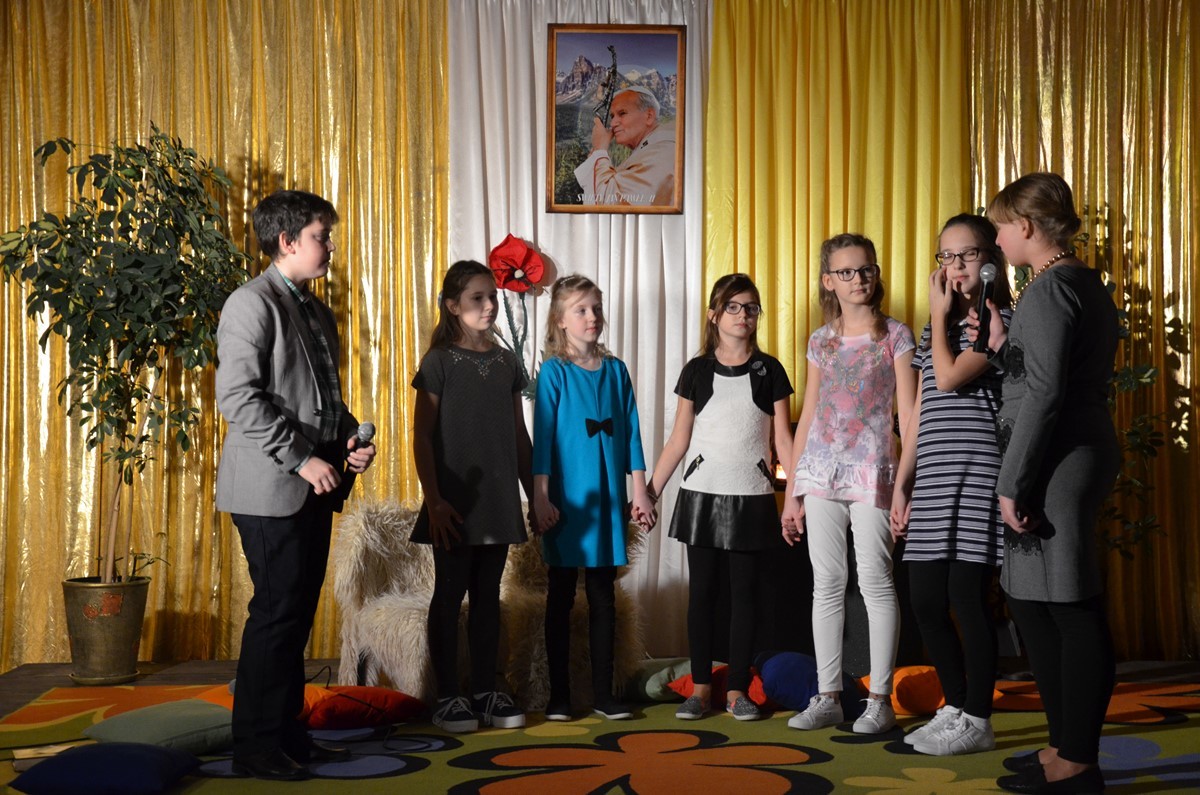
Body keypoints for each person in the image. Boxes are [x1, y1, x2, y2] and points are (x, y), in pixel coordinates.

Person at [216, 190, 377, 781]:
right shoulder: (250, 303)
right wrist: (304, 458)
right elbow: (238, 398)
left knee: (295, 616)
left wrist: (347, 439)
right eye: (320, 236)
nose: (329, 246)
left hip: (312, 486)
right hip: (270, 488)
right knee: (276, 614)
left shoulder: (313, 308)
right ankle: (254, 749)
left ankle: (288, 737)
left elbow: (321, 399)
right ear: (286, 242)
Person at [977, 174, 1119, 795]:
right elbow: (1044, 371)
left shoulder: (1051, 288)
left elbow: (1044, 392)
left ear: (1027, 227)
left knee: (1070, 606)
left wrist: (1013, 481)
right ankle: (1063, 745)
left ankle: (1078, 764)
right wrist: (1004, 345)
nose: (997, 240)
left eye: (1000, 227)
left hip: (1056, 460)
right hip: (1062, 453)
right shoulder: (1075, 281)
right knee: (1036, 602)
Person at [781, 233, 917, 735]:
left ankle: (880, 699)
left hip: (873, 471)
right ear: (828, 281)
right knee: (827, 584)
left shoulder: (896, 336)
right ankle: (829, 696)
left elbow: (909, 414)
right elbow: (809, 415)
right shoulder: (820, 340)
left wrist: (904, 484)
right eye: (846, 272)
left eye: (865, 269)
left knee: (876, 581)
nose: (858, 279)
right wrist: (793, 493)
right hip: (820, 473)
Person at [890, 214, 1014, 756]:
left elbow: (947, 377)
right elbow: (920, 409)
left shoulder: (1001, 321)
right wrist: (903, 482)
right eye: (946, 256)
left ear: (991, 260)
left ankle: (978, 718)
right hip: (933, 477)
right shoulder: (933, 329)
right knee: (924, 601)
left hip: (978, 474)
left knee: (967, 599)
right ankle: (957, 706)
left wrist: (940, 317)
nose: (955, 266)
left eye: (967, 254)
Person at [647, 274, 794, 722]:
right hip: (702, 495)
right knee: (703, 596)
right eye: (733, 306)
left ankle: (736, 692)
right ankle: (700, 689)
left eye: (751, 307)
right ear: (714, 315)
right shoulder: (696, 371)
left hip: (750, 495)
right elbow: (678, 440)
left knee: (744, 597)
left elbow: (784, 442)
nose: (743, 315)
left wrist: (795, 497)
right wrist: (649, 492)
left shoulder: (770, 370)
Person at [411, 260, 535, 734]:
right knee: (449, 594)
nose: (489, 306)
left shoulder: (506, 362)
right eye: (477, 298)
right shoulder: (439, 361)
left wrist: (534, 495)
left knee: (488, 596)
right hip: (453, 503)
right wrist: (435, 501)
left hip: (498, 501)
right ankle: (447, 696)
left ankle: (485, 690)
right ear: (452, 306)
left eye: (492, 297)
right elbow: (422, 437)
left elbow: (519, 436)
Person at [532, 274, 656, 721]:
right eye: (581, 310)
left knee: (604, 595)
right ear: (560, 320)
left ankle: (604, 694)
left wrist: (639, 489)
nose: (592, 317)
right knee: (562, 595)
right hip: (569, 499)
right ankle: (559, 697)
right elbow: (543, 439)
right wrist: (540, 498)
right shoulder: (554, 372)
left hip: (605, 496)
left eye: (596, 309)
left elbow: (633, 433)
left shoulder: (616, 370)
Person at [574, 87, 676, 206]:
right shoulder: (652, 148)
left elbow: (608, 204)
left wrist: (600, 150)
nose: (613, 123)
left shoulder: (661, 153)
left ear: (649, 116)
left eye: (622, 113)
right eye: (612, 116)